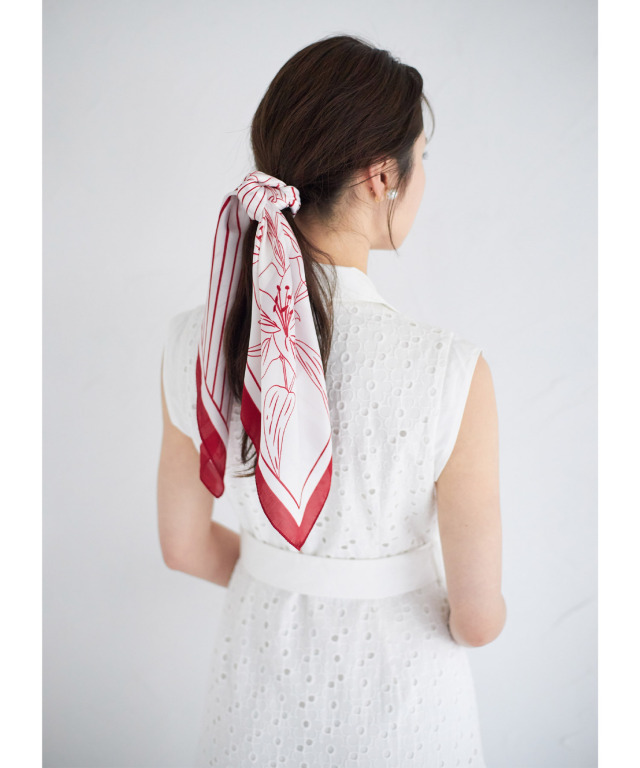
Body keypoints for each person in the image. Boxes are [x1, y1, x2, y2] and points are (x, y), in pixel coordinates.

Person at [157, 33, 505, 768]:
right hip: (406, 717)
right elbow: (476, 619)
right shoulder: (451, 371)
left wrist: (286, 577)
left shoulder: (195, 341)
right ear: (382, 175)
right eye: (421, 159)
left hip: (253, 697)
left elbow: (184, 545)